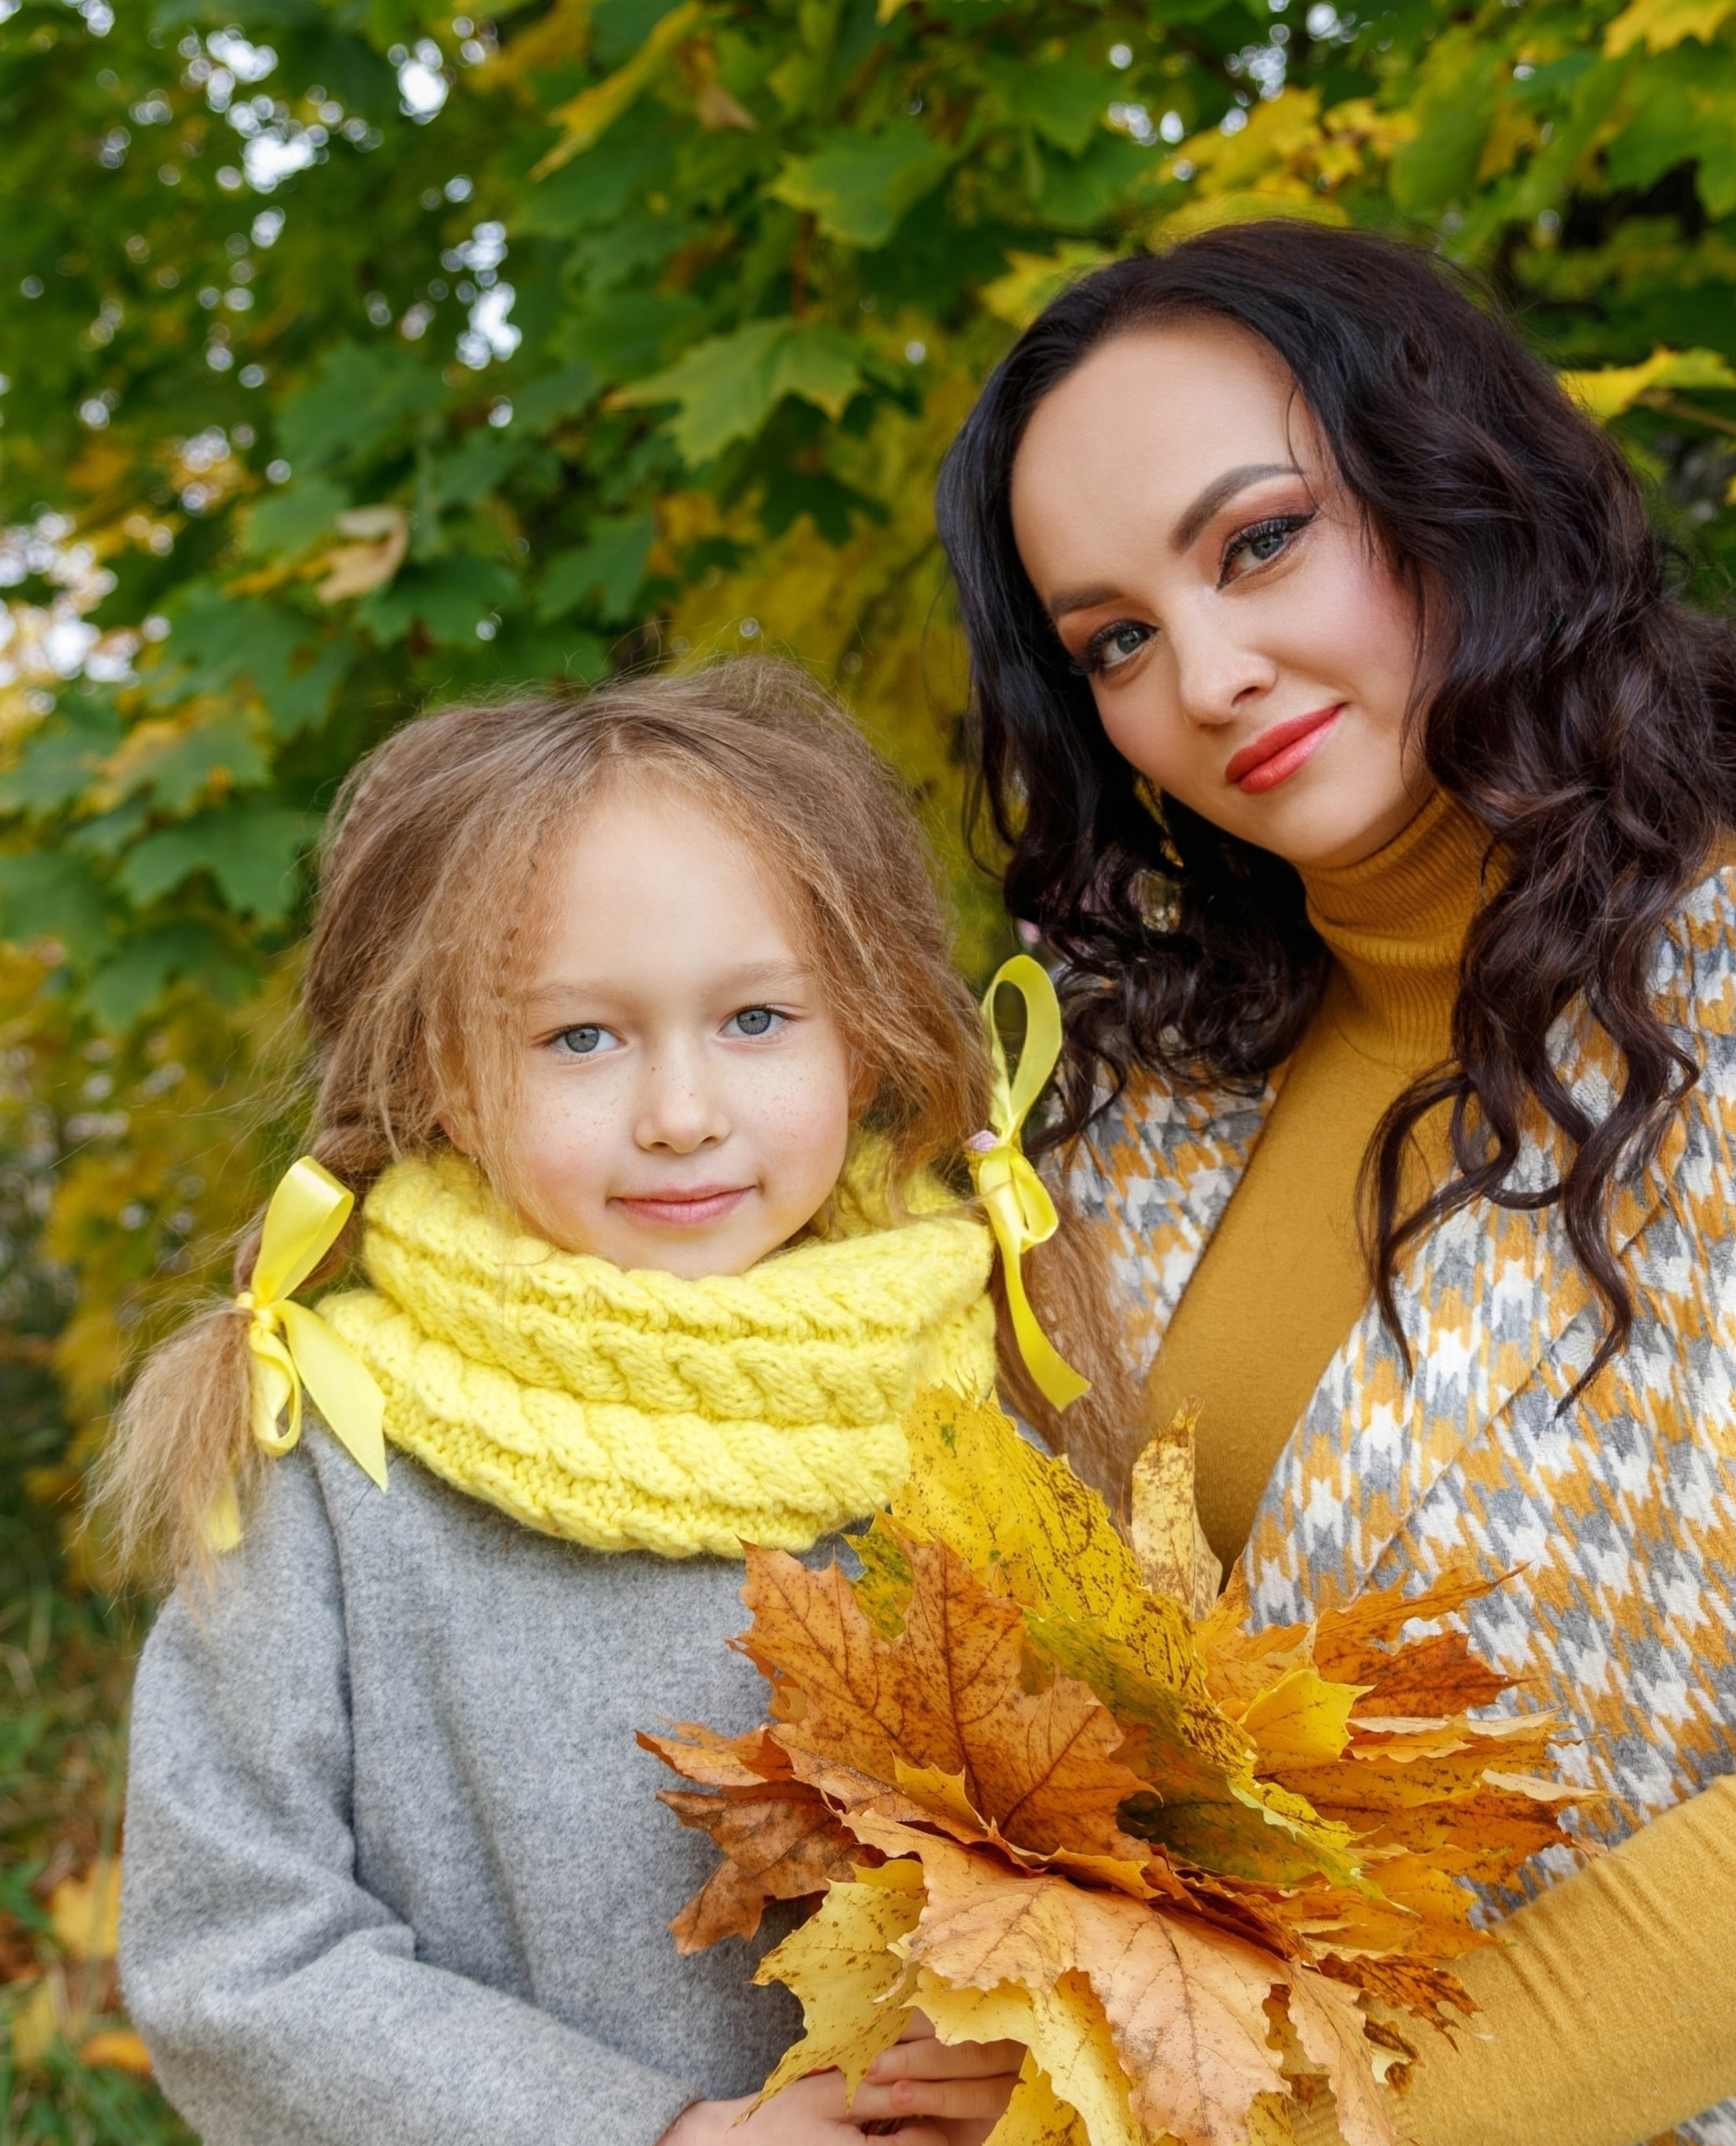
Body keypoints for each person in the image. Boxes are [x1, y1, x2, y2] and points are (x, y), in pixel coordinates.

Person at [935, 221, 1736, 2145]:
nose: (1210, 672)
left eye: (1257, 541)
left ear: (1456, 492)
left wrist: (1289, 2133)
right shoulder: (1125, 1093)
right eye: (1114, 641)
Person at [103, 661, 1127, 2146]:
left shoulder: (973, 1401)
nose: (682, 1111)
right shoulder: (331, 1457)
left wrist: (1025, 2043)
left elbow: (1139, 1861)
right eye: (581, 1038)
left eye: (760, 1019)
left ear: (865, 1031)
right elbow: (235, 1954)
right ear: (445, 1081)